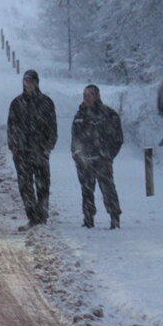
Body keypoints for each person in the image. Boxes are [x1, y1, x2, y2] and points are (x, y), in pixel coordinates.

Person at [7, 69, 57, 229]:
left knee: (43, 185)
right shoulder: (16, 103)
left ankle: (42, 217)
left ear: (37, 82)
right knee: (25, 186)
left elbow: (52, 127)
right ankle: (33, 217)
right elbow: (11, 127)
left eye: (32, 81)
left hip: (40, 151)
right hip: (21, 152)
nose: (29, 84)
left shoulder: (46, 102)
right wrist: (14, 147)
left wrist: (48, 146)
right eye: (26, 81)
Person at [71, 84, 123, 229]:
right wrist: (76, 154)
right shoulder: (79, 115)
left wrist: (108, 155)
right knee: (87, 190)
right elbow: (75, 137)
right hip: (84, 160)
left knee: (108, 189)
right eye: (85, 94)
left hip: (102, 159)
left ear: (97, 96)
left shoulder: (108, 114)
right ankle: (88, 218)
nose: (86, 97)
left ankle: (114, 217)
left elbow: (117, 138)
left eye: (90, 94)